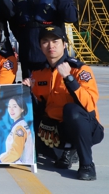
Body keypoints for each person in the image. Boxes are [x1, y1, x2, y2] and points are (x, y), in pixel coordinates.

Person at [23, 25, 103, 181]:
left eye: (55, 41)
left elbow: (89, 105)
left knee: (72, 111)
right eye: (45, 42)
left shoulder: (80, 70)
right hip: (56, 129)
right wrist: (29, 92)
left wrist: (69, 79)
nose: (50, 46)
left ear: (64, 44)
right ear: (40, 46)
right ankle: (67, 149)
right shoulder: (38, 73)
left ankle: (87, 164)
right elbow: (40, 108)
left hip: (85, 126)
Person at [11, 0, 78, 78]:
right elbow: (13, 23)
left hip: (53, 52)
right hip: (29, 53)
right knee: (31, 86)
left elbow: (71, 17)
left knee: (57, 85)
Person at [0, 95, 34, 164]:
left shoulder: (19, 128)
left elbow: (15, 152)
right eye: (9, 106)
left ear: (22, 109)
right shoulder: (20, 124)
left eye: (14, 106)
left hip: (21, 164)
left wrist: (0, 161)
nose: (11, 110)